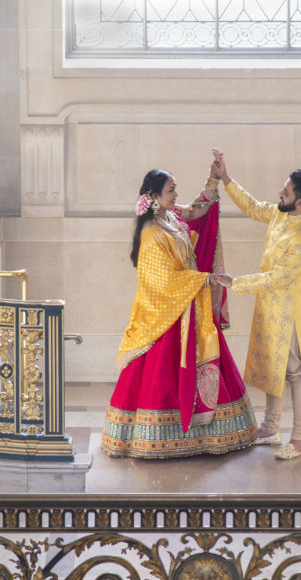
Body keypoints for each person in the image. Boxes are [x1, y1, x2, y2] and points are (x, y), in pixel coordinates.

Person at [102, 166, 258, 459]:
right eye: (171, 190)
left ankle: (207, 438)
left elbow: (198, 211)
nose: (176, 195)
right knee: (159, 379)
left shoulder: (170, 218)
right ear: (154, 197)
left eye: (175, 188)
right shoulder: (151, 234)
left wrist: (214, 179)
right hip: (165, 314)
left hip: (189, 306)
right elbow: (162, 281)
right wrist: (204, 278)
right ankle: (159, 439)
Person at [210, 149, 301, 460]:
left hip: (290, 311)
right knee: (276, 368)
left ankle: (299, 440)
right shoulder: (282, 213)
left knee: (296, 374)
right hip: (270, 306)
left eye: (285, 192)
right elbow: (253, 206)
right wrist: (226, 178)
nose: (279, 194)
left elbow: (280, 278)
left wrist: (237, 283)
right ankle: (270, 429)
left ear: (300, 202)